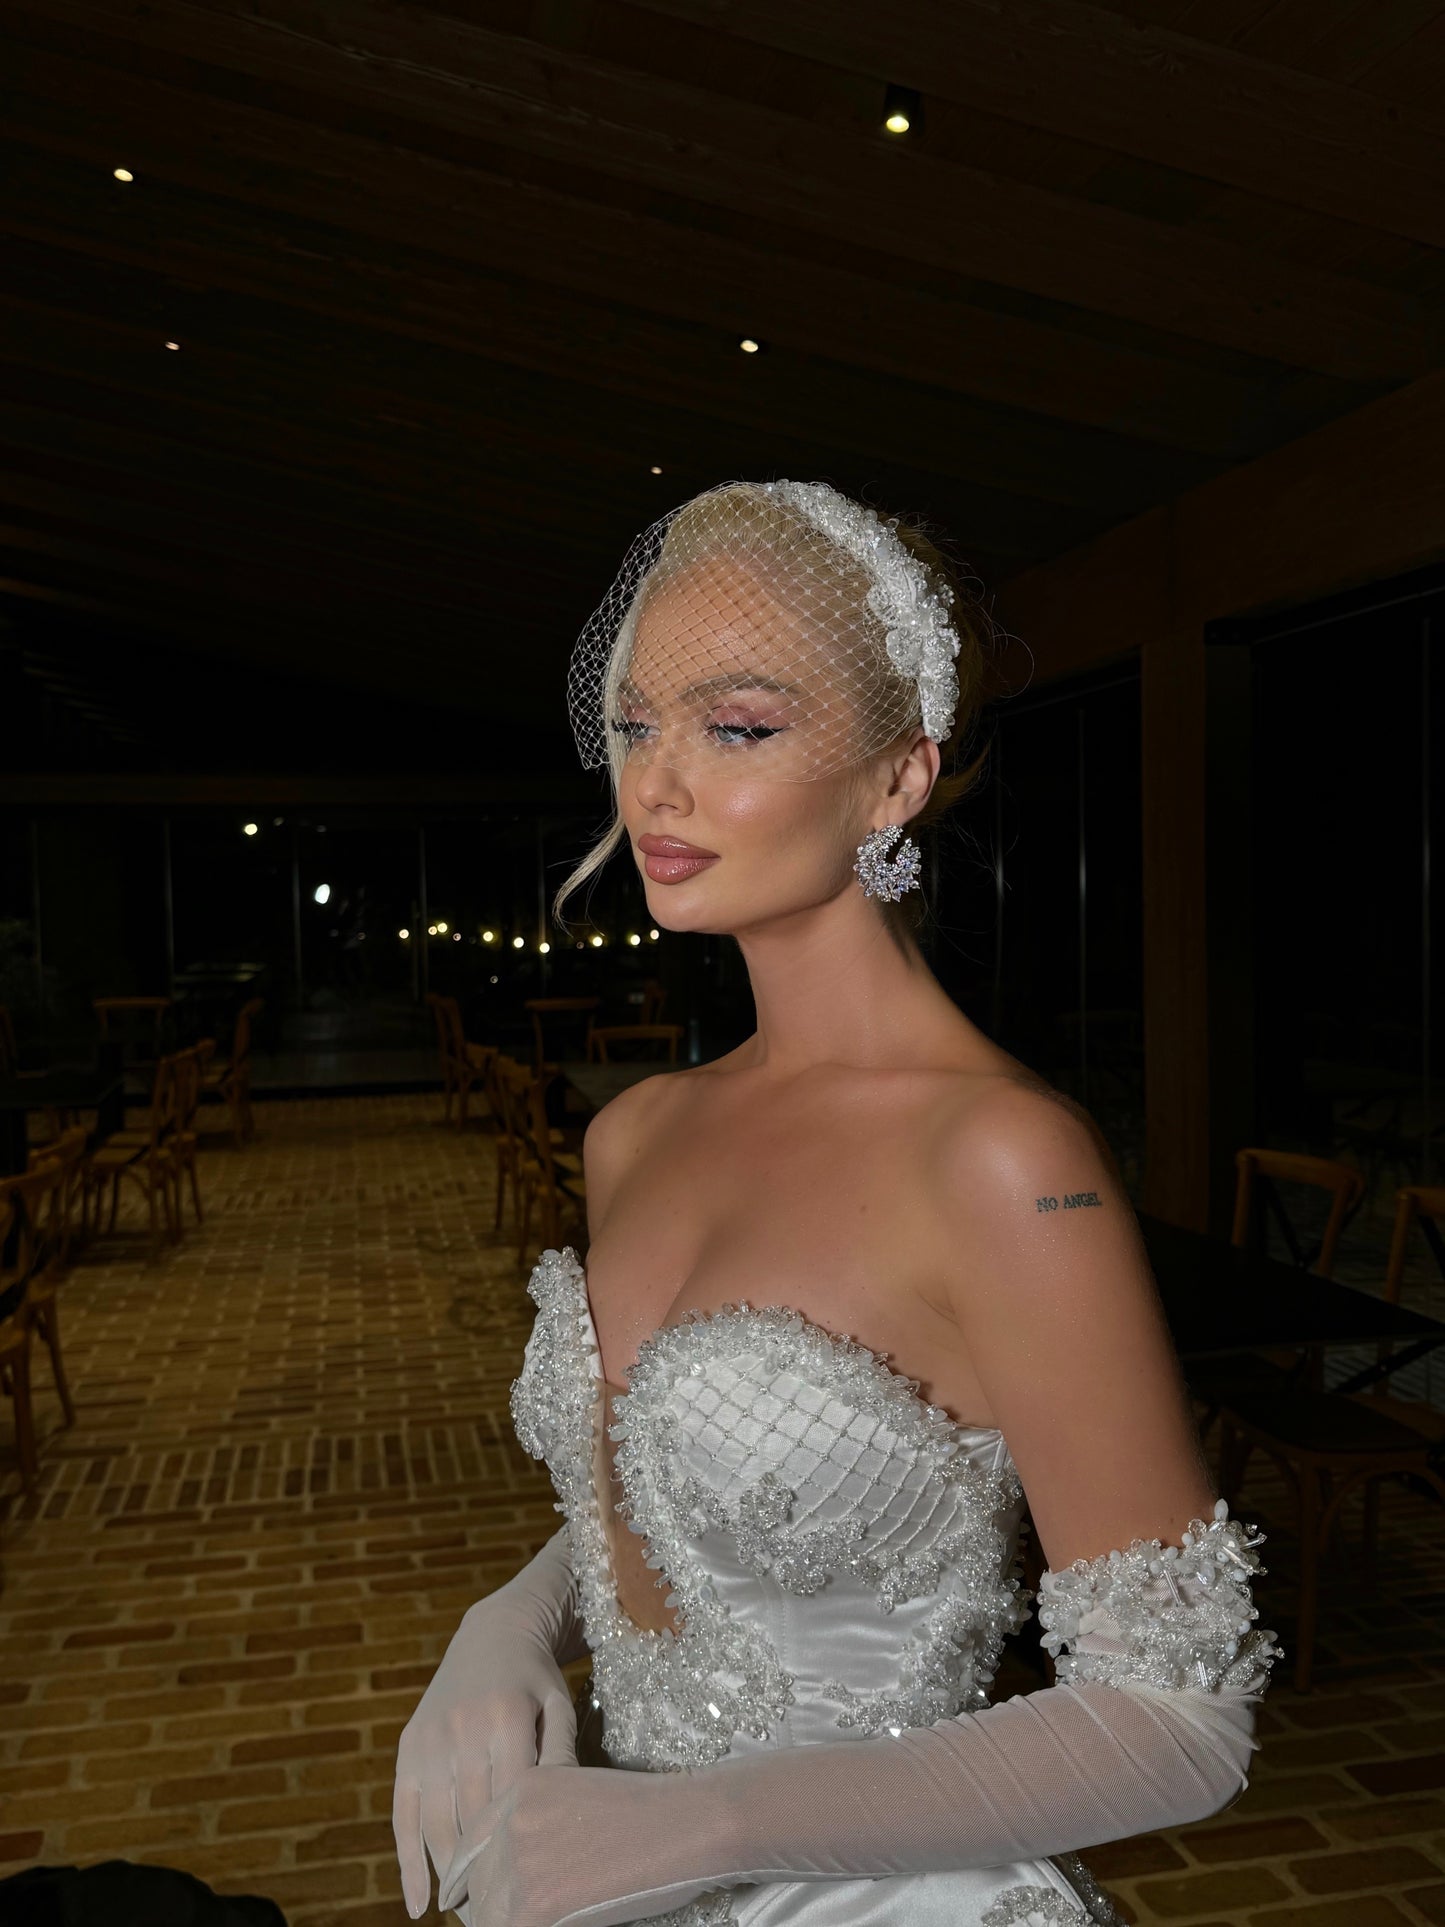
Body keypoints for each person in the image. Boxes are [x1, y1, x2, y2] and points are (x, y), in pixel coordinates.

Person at [393, 480, 1278, 1927]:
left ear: (896, 779)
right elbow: (664, 1498)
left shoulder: (996, 1158)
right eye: (635, 724)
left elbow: (1179, 1721)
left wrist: (705, 1826)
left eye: (737, 728)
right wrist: (511, 1622)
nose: (655, 784)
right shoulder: (633, 1136)